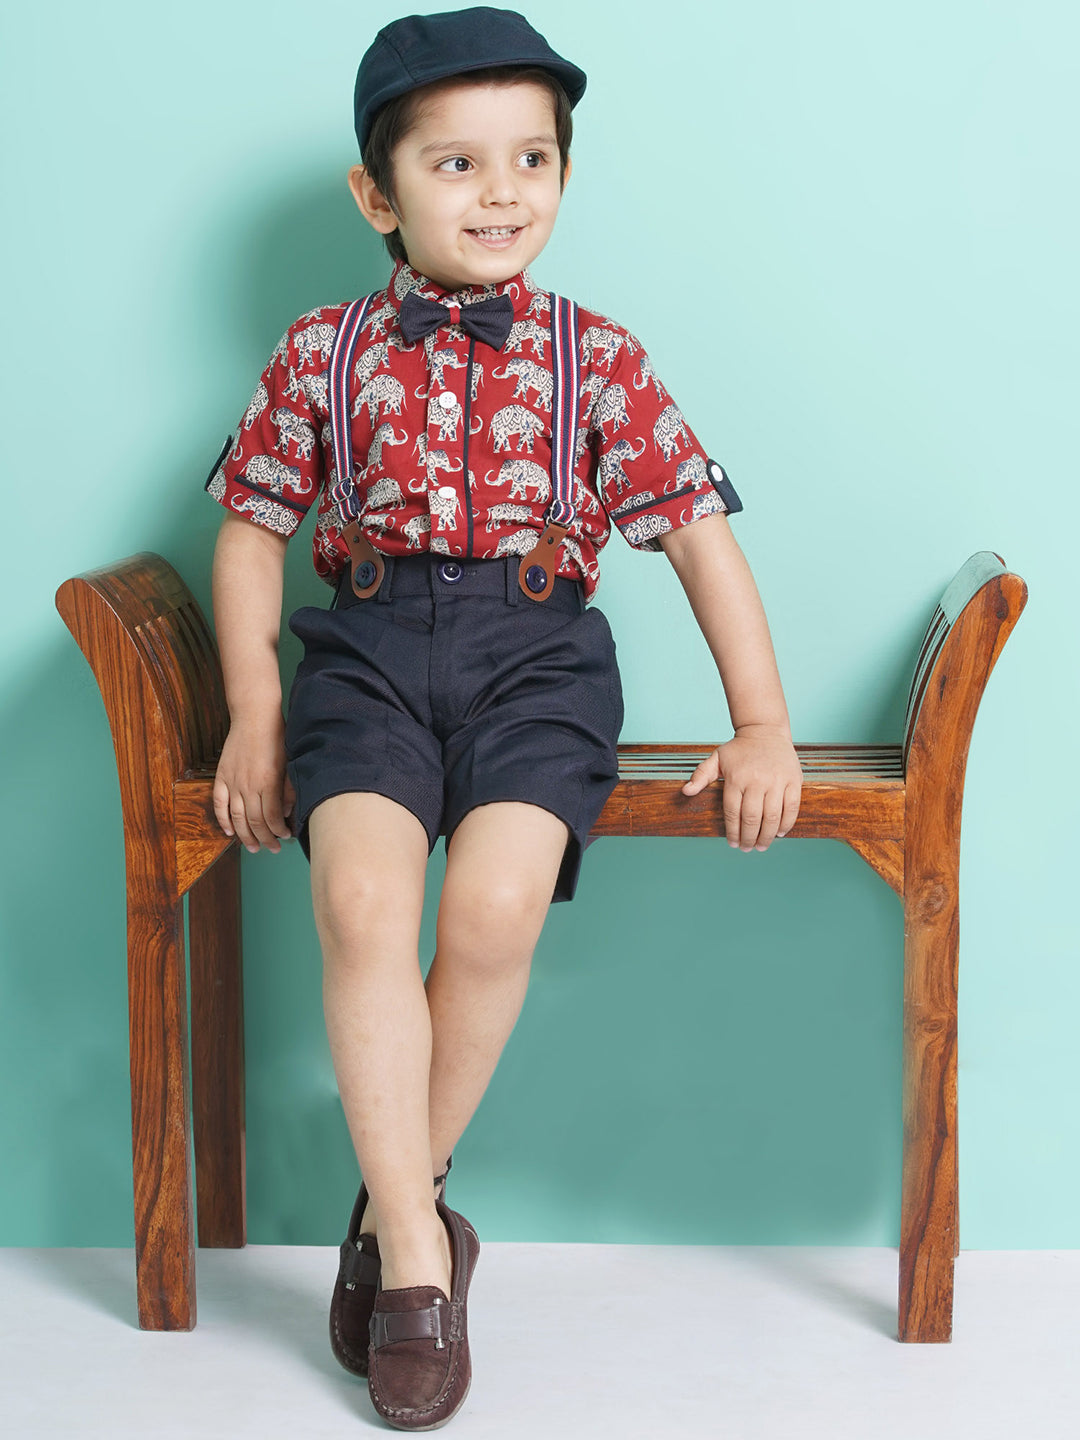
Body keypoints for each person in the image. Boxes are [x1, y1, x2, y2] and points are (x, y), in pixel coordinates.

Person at [205, 6, 803, 1429]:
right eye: (458, 165)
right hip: (364, 656)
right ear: (379, 193)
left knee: (489, 915)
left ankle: (394, 1197)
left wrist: (762, 720)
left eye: (531, 157)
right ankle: (416, 1251)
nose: (501, 192)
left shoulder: (598, 356)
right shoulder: (319, 352)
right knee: (361, 901)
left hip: (538, 661)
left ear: (564, 175)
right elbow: (247, 530)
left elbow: (697, 533)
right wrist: (251, 709)